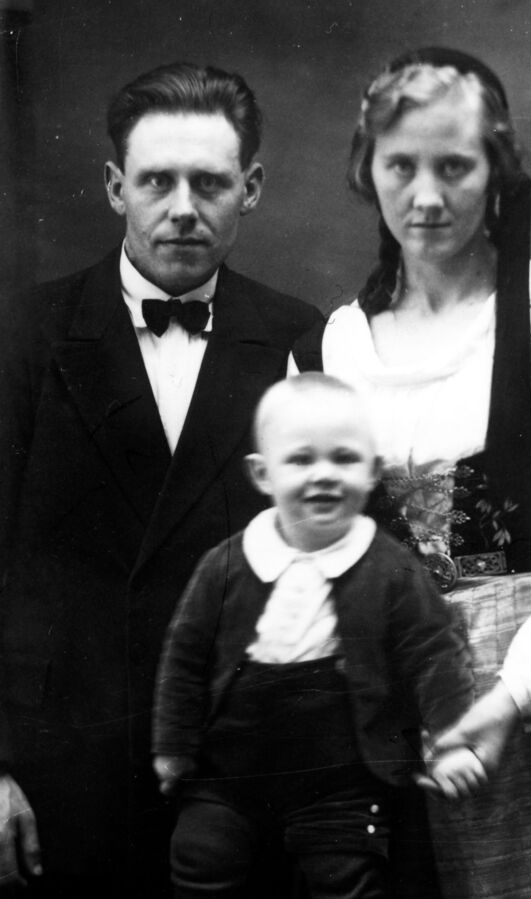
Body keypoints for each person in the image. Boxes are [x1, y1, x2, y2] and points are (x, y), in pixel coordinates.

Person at [291, 47, 531, 896]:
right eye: (400, 166)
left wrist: (512, 696)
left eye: (454, 166)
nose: (426, 197)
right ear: (366, 169)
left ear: (497, 171)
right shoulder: (329, 353)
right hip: (403, 753)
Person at [0, 62, 321, 897]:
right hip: (59, 771)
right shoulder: (23, 334)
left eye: (209, 182)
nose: (183, 207)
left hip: (239, 773)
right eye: (156, 181)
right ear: (116, 187)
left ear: (250, 188)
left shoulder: (301, 338)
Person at [151, 372, 476, 899]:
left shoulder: (390, 567)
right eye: (300, 460)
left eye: (344, 459)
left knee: (344, 873)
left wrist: (454, 743)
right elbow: (184, 657)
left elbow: (435, 653)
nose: (323, 475)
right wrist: (173, 746)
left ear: (372, 471)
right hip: (228, 769)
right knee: (200, 856)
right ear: (262, 474)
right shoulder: (226, 564)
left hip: (341, 776)